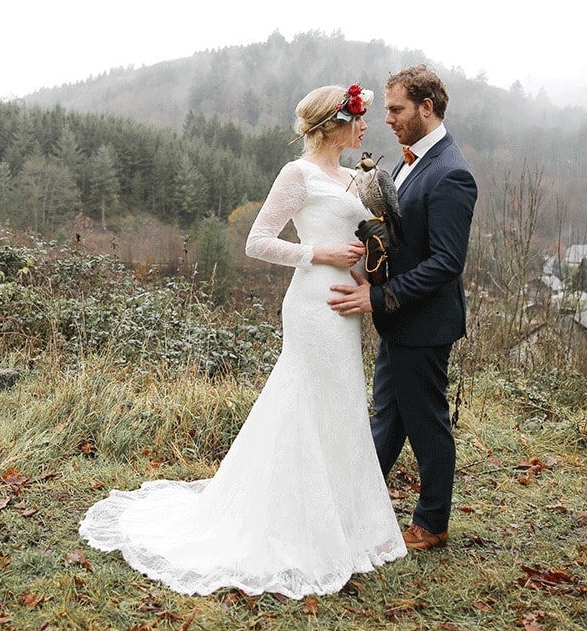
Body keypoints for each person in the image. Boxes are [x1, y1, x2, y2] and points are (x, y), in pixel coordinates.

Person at [79, 84, 407, 597]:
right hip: (311, 304)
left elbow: (360, 247)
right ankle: (289, 523)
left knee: (340, 404)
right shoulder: (296, 175)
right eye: (359, 120)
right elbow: (259, 241)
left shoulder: (353, 179)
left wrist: (372, 287)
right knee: (302, 400)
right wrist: (317, 253)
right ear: (333, 125)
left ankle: (340, 523)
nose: (366, 128)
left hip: (347, 305)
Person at [328, 65, 477, 551]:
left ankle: (431, 524)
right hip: (399, 320)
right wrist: (369, 269)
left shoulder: (452, 173)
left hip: (425, 324)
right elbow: (403, 241)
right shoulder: (405, 164)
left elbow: (445, 264)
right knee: (388, 420)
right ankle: (355, 506)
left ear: (426, 108)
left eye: (396, 109)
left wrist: (377, 298)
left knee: (426, 423)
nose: (386, 118)